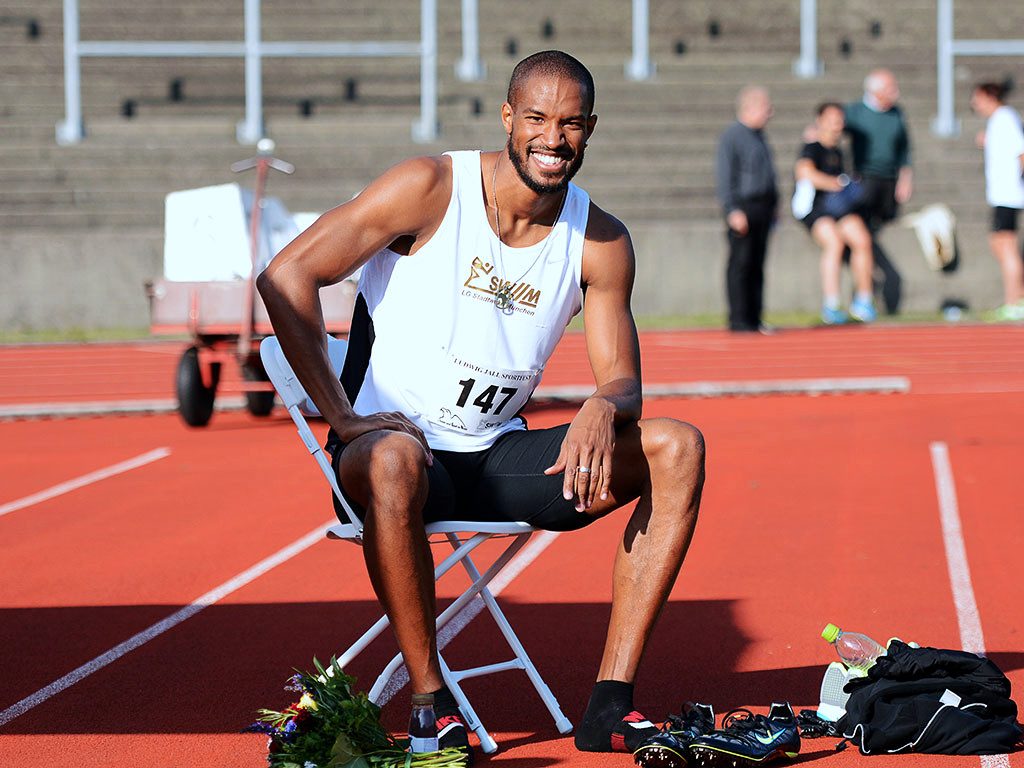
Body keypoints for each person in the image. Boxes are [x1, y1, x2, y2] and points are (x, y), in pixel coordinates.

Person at [257, 50, 706, 764]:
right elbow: (285, 276)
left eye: (570, 124)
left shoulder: (602, 240)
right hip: (389, 455)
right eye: (536, 119)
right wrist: (342, 418)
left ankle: (609, 708)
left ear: (591, 129)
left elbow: (623, 379)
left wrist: (605, 404)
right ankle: (433, 703)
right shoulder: (430, 188)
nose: (552, 140)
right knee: (398, 459)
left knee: (677, 446)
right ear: (508, 118)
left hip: (494, 456)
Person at [795, 102, 877, 324]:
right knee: (834, 242)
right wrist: (834, 183)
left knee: (862, 240)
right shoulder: (812, 147)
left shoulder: (838, 151)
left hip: (838, 208)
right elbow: (804, 172)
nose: (837, 124)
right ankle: (831, 304)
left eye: (839, 119)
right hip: (816, 208)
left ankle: (863, 300)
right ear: (820, 121)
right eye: (832, 119)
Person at [843, 69, 913, 314]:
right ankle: (861, 288)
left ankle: (864, 280)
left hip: (889, 179)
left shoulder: (897, 114)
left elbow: (905, 150)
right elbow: (833, 130)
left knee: (877, 228)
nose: (896, 93)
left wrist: (905, 178)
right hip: (865, 178)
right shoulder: (855, 112)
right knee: (861, 232)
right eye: (891, 88)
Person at [715, 86, 779, 333]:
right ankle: (739, 319)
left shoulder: (760, 136)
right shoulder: (732, 136)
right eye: (766, 107)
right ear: (750, 108)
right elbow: (725, 175)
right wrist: (732, 209)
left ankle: (755, 317)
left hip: (763, 208)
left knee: (757, 265)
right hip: (744, 207)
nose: (770, 113)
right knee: (741, 264)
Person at [970, 81, 1024, 321]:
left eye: (977, 98)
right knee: (998, 244)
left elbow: (1021, 152)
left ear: (989, 96)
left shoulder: (1005, 117)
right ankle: (1016, 298)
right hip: (1000, 193)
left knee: (1007, 245)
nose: (974, 104)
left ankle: (1015, 300)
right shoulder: (998, 121)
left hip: (1009, 193)